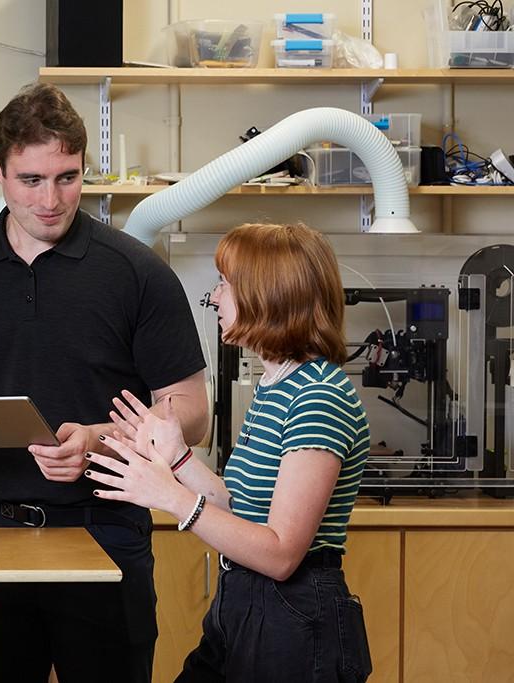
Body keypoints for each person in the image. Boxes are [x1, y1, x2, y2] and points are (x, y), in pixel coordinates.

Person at [0, 82, 208, 683]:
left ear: (84, 167)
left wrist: (101, 441)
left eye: (67, 178)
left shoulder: (137, 272)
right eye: (31, 180)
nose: (50, 200)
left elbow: (192, 411)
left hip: (104, 530)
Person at [87, 223, 374, 682]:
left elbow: (281, 555)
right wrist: (176, 459)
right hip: (242, 603)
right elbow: (239, 507)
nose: (215, 298)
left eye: (225, 284)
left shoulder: (319, 395)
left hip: (294, 618)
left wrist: (172, 497)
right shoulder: (276, 385)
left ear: (267, 296)